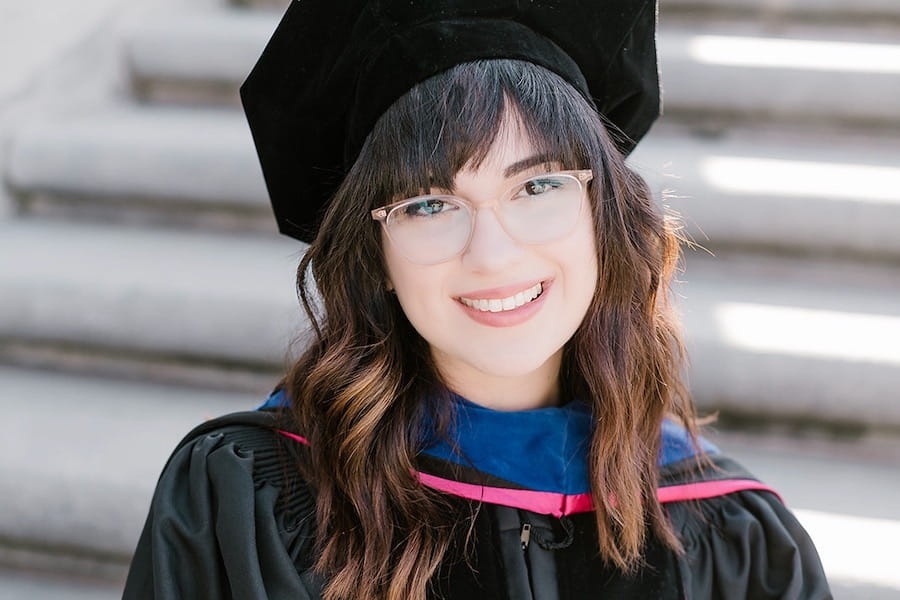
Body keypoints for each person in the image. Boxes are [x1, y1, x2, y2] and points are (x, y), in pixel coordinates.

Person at [123, 1, 832, 598]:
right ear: (377, 253)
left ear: (605, 216)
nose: (492, 255)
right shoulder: (248, 502)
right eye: (430, 205)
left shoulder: (737, 546)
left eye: (537, 186)